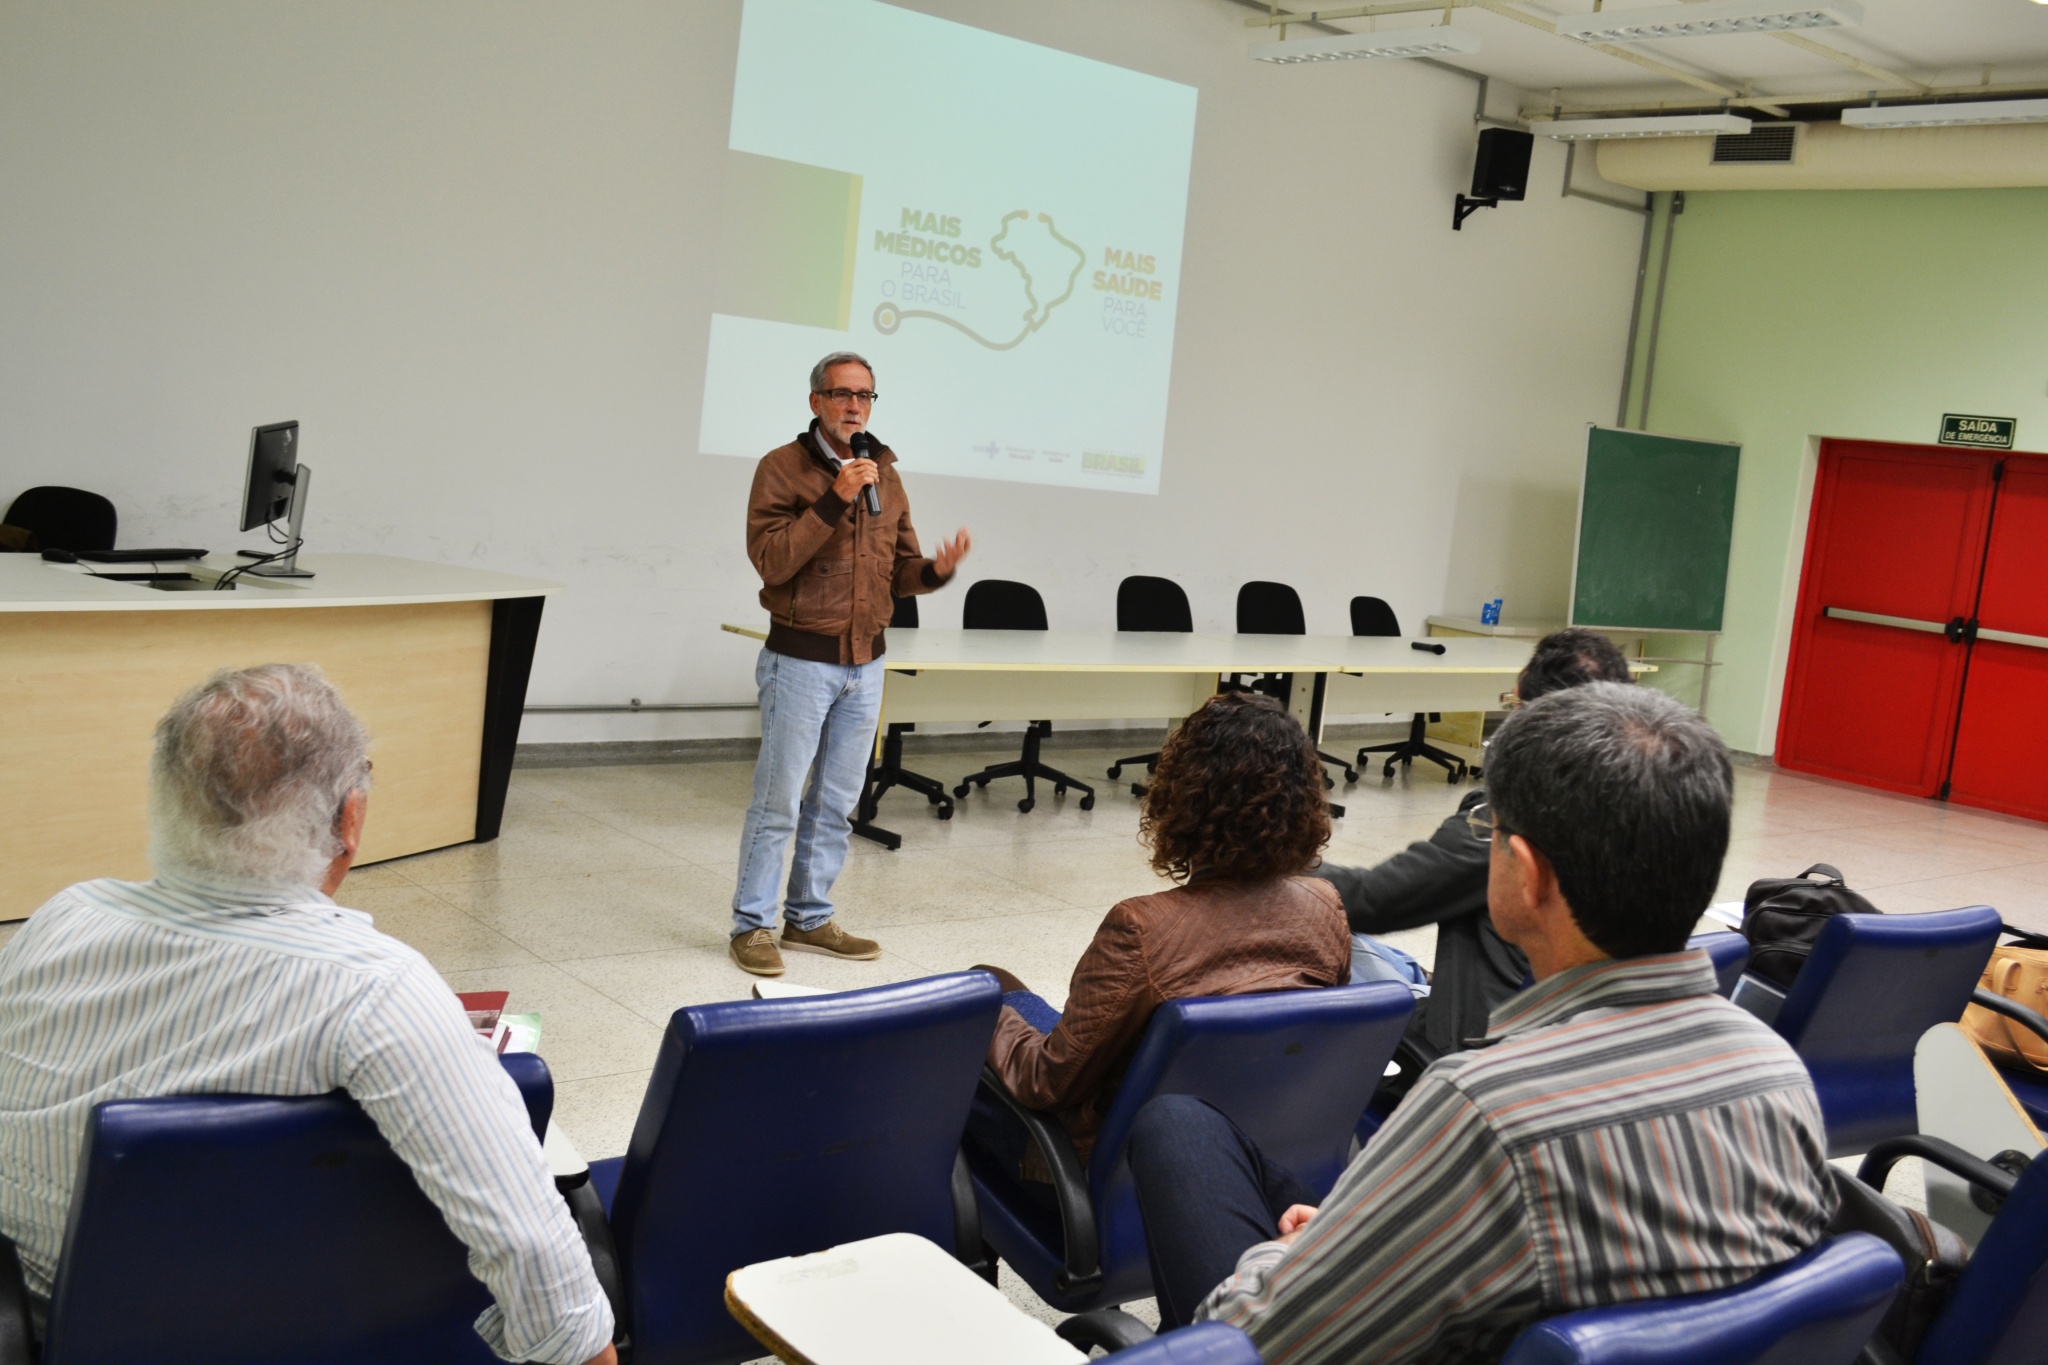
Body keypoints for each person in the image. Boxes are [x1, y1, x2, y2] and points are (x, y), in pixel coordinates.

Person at [1127, 683, 1835, 1360]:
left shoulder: (1486, 1109)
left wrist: (1289, 1260)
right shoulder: (1776, 1067)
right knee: (1192, 1129)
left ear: (1529, 873)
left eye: (1488, 828)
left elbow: (1253, 1339)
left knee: (1174, 1129)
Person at [0, 665, 616, 1364]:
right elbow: (538, 1258)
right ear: (348, 818)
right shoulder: (375, 989)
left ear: (165, 797)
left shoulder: (59, 920)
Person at [968, 692, 1350, 1185]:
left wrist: (975, 1018)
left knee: (982, 989)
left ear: (1181, 797)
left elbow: (1046, 1084)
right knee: (1004, 992)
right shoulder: (1325, 907)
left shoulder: (1141, 928)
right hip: (1265, 1156)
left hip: (1116, 1173)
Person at [730, 351, 971, 977]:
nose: (854, 407)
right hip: (800, 660)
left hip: (867, 664)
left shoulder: (885, 474)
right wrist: (834, 500)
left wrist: (938, 573)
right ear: (816, 402)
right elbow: (773, 560)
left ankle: (809, 917)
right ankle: (752, 925)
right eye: (841, 395)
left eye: (864, 396)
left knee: (837, 800)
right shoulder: (781, 469)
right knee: (779, 799)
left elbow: (902, 568)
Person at [1318, 626, 1633, 1071]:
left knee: (1325, 934)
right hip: (1583, 1042)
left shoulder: (1503, 825)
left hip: (1470, 1058)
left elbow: (1369, 900)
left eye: (1512, 707)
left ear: (1531, 719)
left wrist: (1275, 861)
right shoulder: (1645, 807)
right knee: (1376, 954)